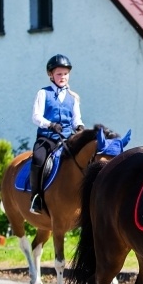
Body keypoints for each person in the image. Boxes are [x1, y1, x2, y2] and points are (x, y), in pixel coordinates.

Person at [29, 53, 85, 214]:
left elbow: (76, 119)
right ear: (51, 75)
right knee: (39, 159)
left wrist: (80, 127)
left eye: (65, 74)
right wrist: (50, 124)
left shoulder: (73, 97)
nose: (62, 77)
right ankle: (36, 197)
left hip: (68, 138)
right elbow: (36, 116)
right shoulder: (43, 93)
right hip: (47, 138)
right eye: (59, 74)